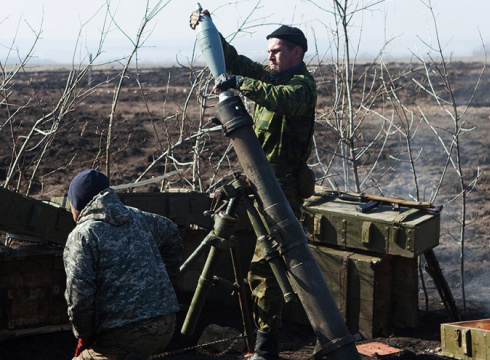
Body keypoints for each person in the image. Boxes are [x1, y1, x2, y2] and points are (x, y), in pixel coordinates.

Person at [191, 11, 317, 360]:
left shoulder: (301, 86)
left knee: (266, 266)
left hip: (283, 188)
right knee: (260, 265)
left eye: (276, 51)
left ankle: (266, 349)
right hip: (261, 182)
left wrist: (238, 83)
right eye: (269, 51)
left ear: (297, 53)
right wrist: (208, 27)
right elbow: (233, 60)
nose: (270, 57)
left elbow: (281, 100)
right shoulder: (271, 76)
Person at [63, 169, 183, 360]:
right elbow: (171, 232)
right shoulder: (138, 217)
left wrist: (84, 335)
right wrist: (170, 278)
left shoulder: (82, 235)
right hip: (166, 325)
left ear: (77, 202)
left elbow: (79, 300)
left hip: (123, 335)